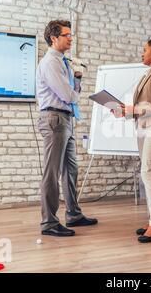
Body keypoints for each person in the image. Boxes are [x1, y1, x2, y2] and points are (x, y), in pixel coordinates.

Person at [36, 20, 98, 237]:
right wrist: (77, 82)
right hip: (55, 119)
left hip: (65, 119)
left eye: (71, 34)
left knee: (71, 169)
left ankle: (73, 214)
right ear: (54, 38)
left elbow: (70, 94)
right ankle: (49, 223)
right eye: (67, 35)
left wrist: (76, 77)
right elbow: (68, 96)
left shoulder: (62, 62)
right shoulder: (51, 63)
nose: (71, 38)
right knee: (51, 173)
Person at [112, 35, 151, 243]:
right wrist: (126, 111)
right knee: (150, 171)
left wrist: (135, 109)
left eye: (145, 49)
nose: (142, 52)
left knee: (148, 172)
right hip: (144, 127)